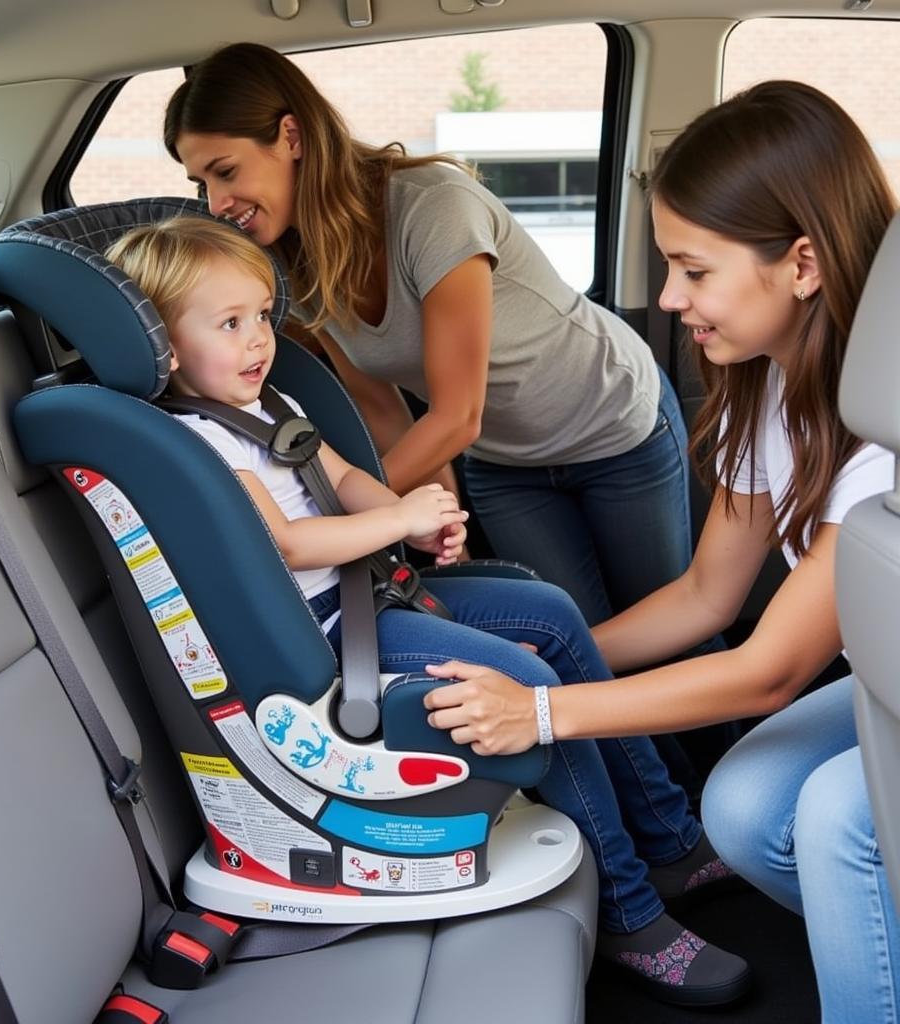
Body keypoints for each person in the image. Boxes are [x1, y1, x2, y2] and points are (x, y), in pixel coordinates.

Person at [105, 215, 751, 1007]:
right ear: (165, 347)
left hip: (370, 593)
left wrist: (415, 515)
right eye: (229, 324)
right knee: (526, 679)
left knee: (550, 611)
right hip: (331, 638)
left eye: (263, 317)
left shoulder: (264, 401)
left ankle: (669, 837)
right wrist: (396, 523)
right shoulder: (190, 440)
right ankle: (628, 908)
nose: (257, 341)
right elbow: (289, 545)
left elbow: (341, 479)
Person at [421, 80, 899, 1024]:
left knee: (839, 823)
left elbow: (768, 672)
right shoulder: (769, 388)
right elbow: (705, 599)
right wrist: (537, 654)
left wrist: (543, 713)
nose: (671, 299)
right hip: (882, 679)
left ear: (802, 263)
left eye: (693, 270)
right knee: (744, 809)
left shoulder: (877, 423)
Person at [160, 41, 698, 631]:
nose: (215, 203)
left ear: (291, 137)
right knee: (568, 630)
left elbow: (456, 414)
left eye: (226, 171)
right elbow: (383, 408)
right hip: (503, 461)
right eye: (201, 182)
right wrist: (431, 521)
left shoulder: (434, 209)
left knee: (671, 627)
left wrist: (352, 519)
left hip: (610, 424)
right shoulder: (289, 267)